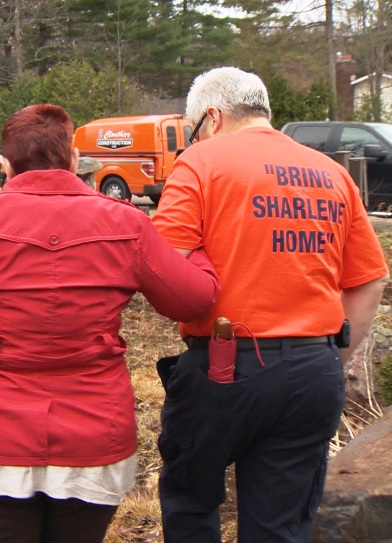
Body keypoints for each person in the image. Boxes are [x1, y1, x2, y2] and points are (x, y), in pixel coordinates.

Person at [0, 103, 220, 543]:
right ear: (72, 159)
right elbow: (193, 298)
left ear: (5, 164)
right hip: (93, 435)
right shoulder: (127, 223)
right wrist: (198, 244)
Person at [151, 66, 390, 543]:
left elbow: (162, 269)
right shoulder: (332, 172)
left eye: (195, 129)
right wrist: (330, 355)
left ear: (212, 118)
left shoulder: (200, 163)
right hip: (313, 372)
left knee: (191, 503)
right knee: (279, 526)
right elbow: (369, 280)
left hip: (223, 370)